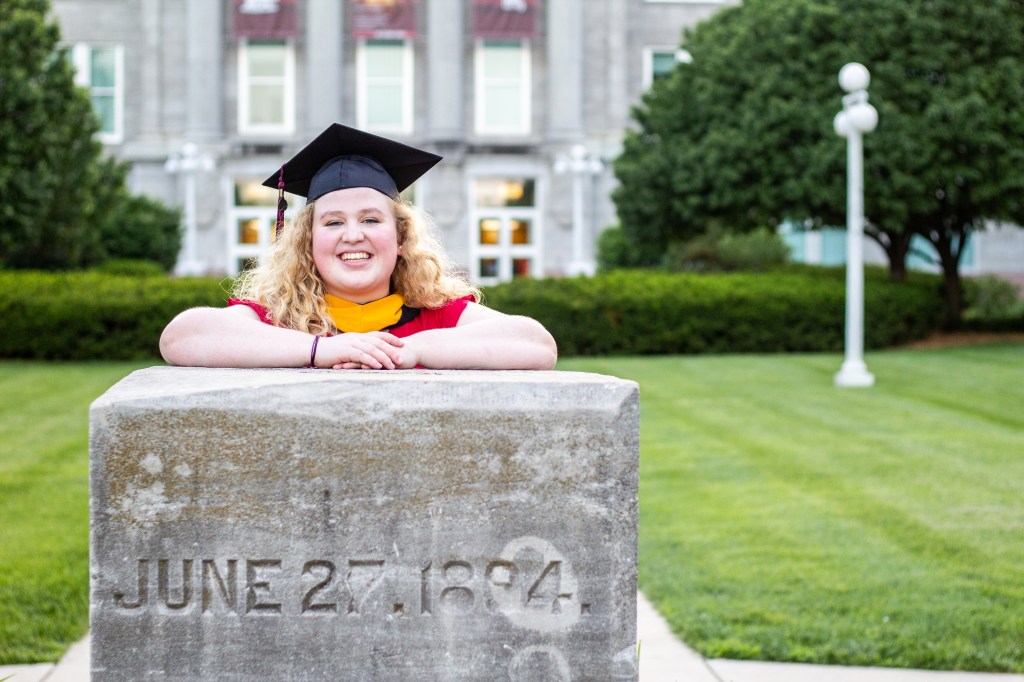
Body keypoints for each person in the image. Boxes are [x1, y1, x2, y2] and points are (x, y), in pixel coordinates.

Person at [160, 124, 557, 370]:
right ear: (308, 243)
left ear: (400, 239)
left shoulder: (436, 316)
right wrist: (321, 349)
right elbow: (181, 337)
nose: (352, 235)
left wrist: (412, 349)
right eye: (333, 222)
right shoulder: (279, 318)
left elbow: (535, 343)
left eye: (370, 219)